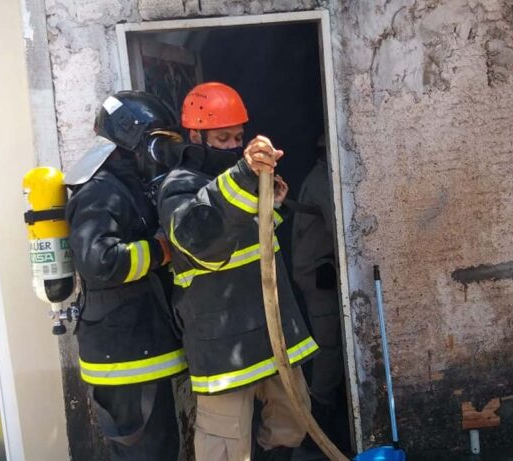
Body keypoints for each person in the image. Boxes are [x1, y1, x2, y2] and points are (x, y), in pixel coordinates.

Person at [157, 82, 318, 461]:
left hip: (273, 336)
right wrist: (245, 177)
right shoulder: (178, 187)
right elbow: (203, 240)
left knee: (291, 425)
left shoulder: (243, 182)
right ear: (195, 136)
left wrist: (270, 205)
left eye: (238, 137)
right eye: (223, 137)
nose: (232, 146)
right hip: (221, 345)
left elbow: (254, 247)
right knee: (224, 450)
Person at [64, 91, 187, 461]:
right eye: (157, 144)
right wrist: (160, 250)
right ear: (133, 141)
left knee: (160, 449)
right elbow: (97, 261)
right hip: (125, 356)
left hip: (136, 350)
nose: (161, 155)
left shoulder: (126, 186)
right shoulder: (101, 192)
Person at [291, 135, 350, 450]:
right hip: (317, 274)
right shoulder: (322, 182)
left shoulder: (319, 177)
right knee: (328, 345)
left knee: (332, 343)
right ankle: (318, 419)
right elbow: (339, 227)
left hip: (317, 270)